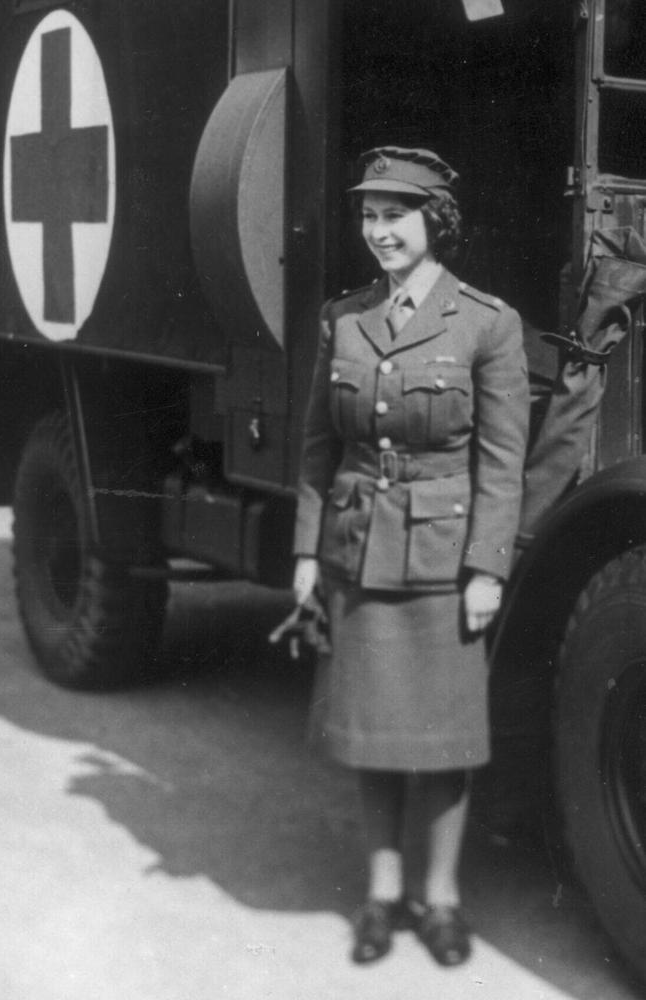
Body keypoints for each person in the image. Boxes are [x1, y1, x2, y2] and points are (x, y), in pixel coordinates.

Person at [292, 146, 529, 966]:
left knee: (445, 744)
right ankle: (383, 895)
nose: (380, 231)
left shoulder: (487, 323)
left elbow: (502, 462)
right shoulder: (343, 318)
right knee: (372, 736)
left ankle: (442, 901)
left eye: (396, 215)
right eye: (369, 215)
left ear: (437, 221)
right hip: (358, 551)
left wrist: (487, 570)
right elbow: (318, 450)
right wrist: (305, 556)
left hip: (441, 558)